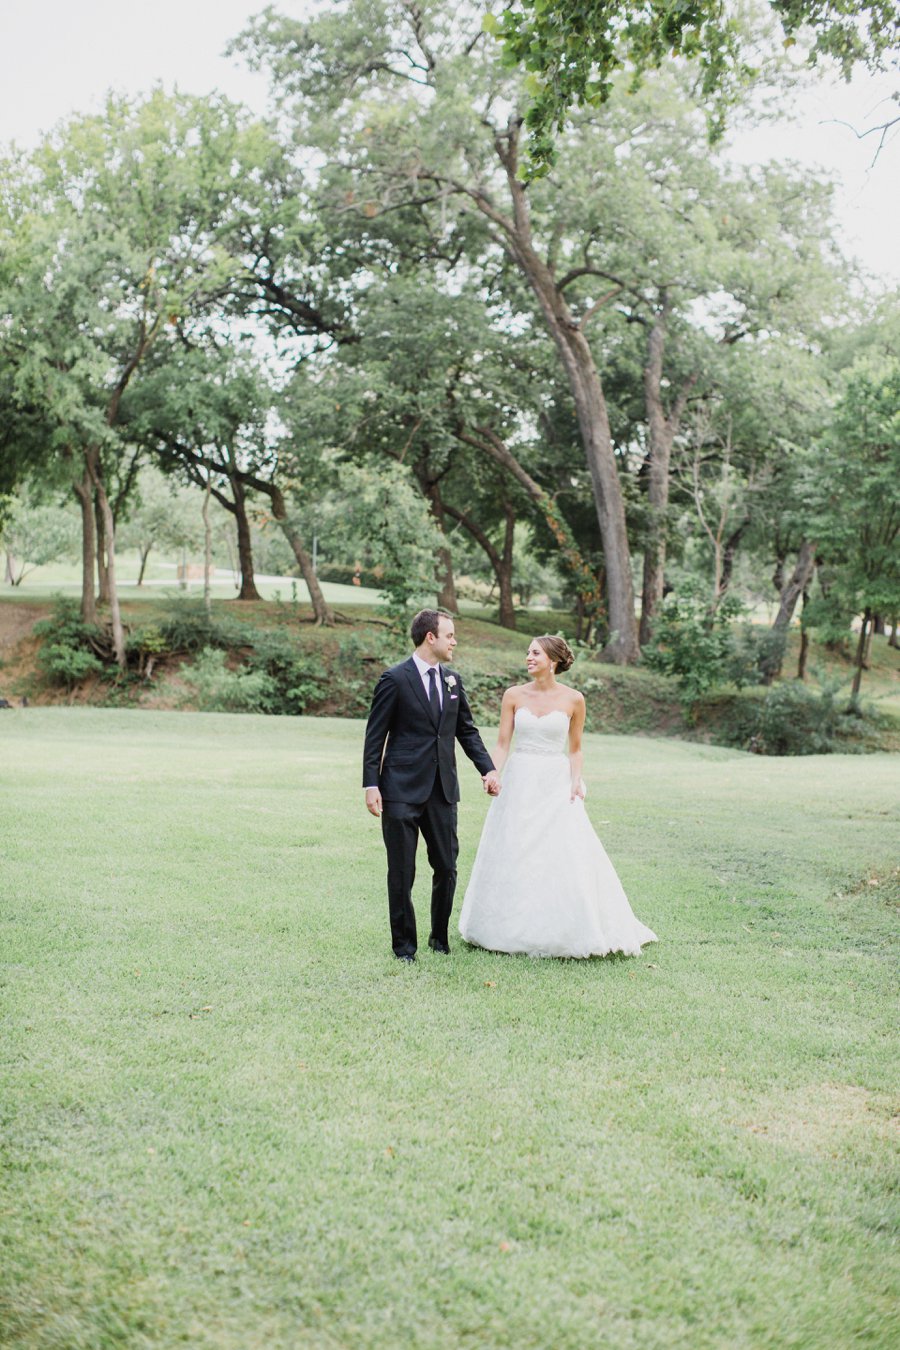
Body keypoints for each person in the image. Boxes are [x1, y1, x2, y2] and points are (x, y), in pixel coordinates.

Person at [459, 635, 657, 958]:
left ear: (552, 660)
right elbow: (502, 744)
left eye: (535, 653)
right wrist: (492, 773)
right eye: (527, 653)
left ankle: (563, 928)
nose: (528, 657)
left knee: (560, 852)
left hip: (555, 782)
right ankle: (505, 927)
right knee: (514, 847)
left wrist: (576, 780)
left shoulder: (574, 700)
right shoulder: (513, 695)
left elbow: (575, 750)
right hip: (519, 780)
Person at [363, 609, 501, 961]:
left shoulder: (452, 680)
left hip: (442, 791)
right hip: (400, 790)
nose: (454, 641)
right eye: (450, 635)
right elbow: (375, 735)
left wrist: (487, 769)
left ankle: (439, 939)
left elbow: (466, 731)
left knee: (447, 866)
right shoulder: (394, 679)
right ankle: (403, 947)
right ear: (431, 637)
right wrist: (371, 784)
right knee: (402, 871)